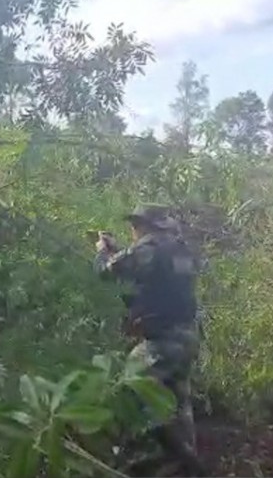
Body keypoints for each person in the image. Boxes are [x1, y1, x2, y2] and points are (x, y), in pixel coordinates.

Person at [94, 203, 204, 475]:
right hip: (187, 337)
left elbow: (109, 271)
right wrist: (118, 250)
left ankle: (140, 460)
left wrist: (101, 253)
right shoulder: (180, 249)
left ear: (146, 226)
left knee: (131, 386)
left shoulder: (150, 248)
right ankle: (183, 464)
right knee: (178, 401)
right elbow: (147, 269)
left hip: (163, 340)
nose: (133, 229)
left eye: (136, 224)